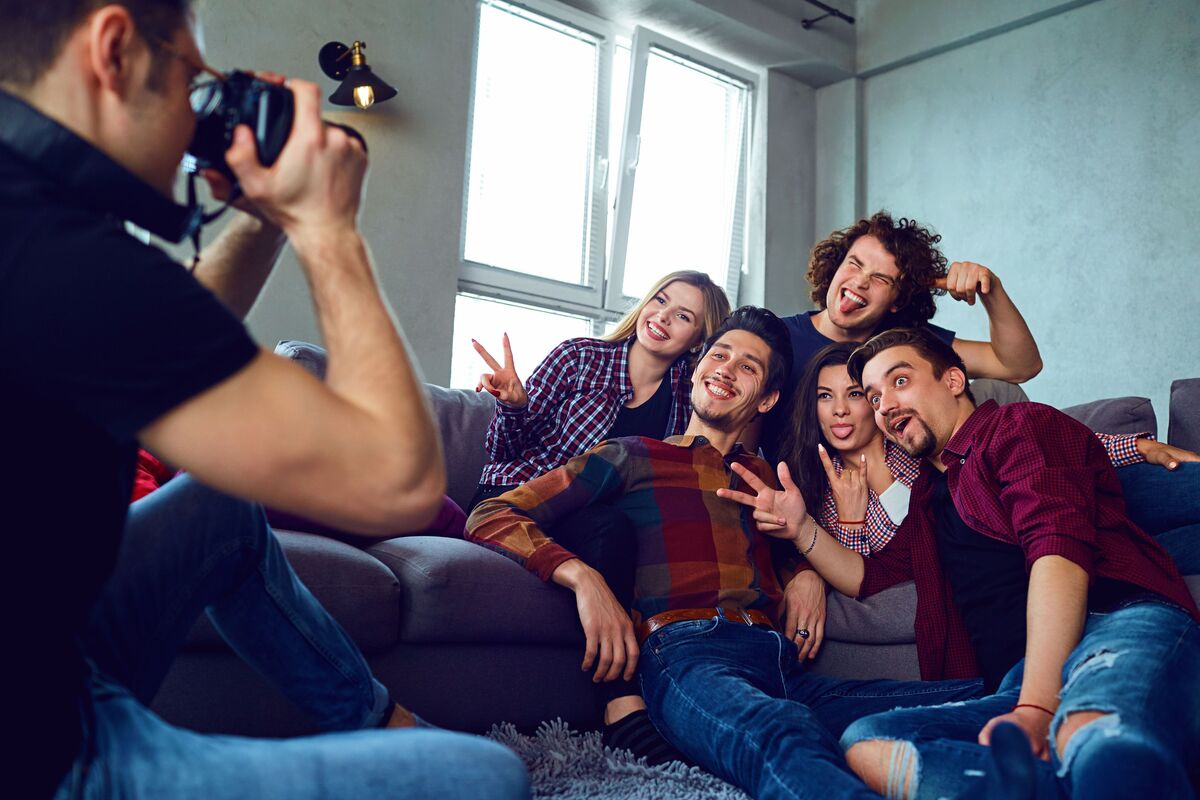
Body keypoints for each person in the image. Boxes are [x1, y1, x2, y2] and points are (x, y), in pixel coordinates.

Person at [0, 2, 527, 798]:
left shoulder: (35, 219)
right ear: (113, 49)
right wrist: (326, 227)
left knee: (221, 509)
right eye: (191, 79)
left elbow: (150, 337)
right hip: (36, 745)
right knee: (483, 779)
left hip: (49, 644)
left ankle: (375, 720)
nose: (193, 117)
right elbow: (400, 481)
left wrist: (264, 223)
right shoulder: (57, 254)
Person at [465, 307, 986, 800]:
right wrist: (582, 577)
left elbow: (802, 547)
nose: (727, 370)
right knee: (780, 734)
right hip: (687, 654)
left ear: (766, 400)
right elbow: (492, 514)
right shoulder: (632, 454)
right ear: (695, 371)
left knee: (975, 698)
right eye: (719, 356)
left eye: (748, 366)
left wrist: (803, 570)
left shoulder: (766, 477)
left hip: (779, 661)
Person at [724, 326, 1200, 799]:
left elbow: (1057, 546)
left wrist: (1036, 707)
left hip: (1113, 624)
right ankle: (1048, 777)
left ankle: (1077, 757)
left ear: (954, 381)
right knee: (870, 745)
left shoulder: (1017, 427)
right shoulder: (931, 495)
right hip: (1019, 677)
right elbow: (869, 575)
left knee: (1092, 733)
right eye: (875, 394)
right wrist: (800, 528)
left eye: (900, 381)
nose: (884, 404)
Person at [468, 270, 730, 762]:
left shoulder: (685, 401)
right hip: (524, 499)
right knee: (610, 527)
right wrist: (515, 407)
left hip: (596, 521)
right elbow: (500, 453)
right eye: (660, 301)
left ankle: (679, 697)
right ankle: (619, 708)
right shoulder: (579, 357)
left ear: (698, 339)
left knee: (632, 533)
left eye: (683, 316)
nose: (662, 318)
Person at [759, 211, 1042, 457]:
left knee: (994, 390)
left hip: (894, 489)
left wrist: (990, 290)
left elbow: (1018, 366)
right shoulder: (774, 338)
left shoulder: (903, 344)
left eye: (881, 279)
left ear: (897, 300)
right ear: (836, 267)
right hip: (798, 496)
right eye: (854, 264)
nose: (860, 281)